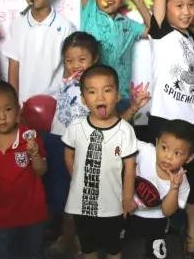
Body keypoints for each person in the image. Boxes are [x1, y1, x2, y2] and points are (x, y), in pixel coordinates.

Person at [141, 0, 194, 257]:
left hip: (190, 123)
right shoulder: (163, 33)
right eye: (178, 5)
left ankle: (188, 232)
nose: (186, 10)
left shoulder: (192, 39)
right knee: (159, 180)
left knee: (187, 185)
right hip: (164, 121)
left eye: (190, 5)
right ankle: (157, 238)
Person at [63, 64, 139, 259]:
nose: (100, 97)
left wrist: (127, 198)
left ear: (118, 95)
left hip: (112, 205)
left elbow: (130, 167)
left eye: (107, 90)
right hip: (82, 205)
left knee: (114, 249)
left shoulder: (125, 130)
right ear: (83, 98)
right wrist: (77, 178)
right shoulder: (76, 127)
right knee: (88, 248)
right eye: (92, 92)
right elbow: (69, 155)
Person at [0, 81, 47, 259]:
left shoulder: (29, 138)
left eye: (8, 109)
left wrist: (35, 155)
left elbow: (42, 171)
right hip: (1, 219)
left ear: (18, 110)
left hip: (32, 215)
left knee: (34, 254)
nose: (3, 116)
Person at [4, 0, 75, 104]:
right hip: (23, 104)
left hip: (55, 104)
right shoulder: (17, 24)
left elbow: (70, 69)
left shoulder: (65, 27)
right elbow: (13, 66)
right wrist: (13, 103)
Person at [124, 119, 194, 259]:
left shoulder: (182, 182)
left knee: (157, 254)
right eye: (164, 148)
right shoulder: (146, 151)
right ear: (156, 143)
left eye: (177, 153)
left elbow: (167, 211)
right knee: (118, 248)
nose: (168, 156)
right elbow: (122, 139)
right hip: (128, 210)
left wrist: (174, 188)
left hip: (157, 220)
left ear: (189, 158)